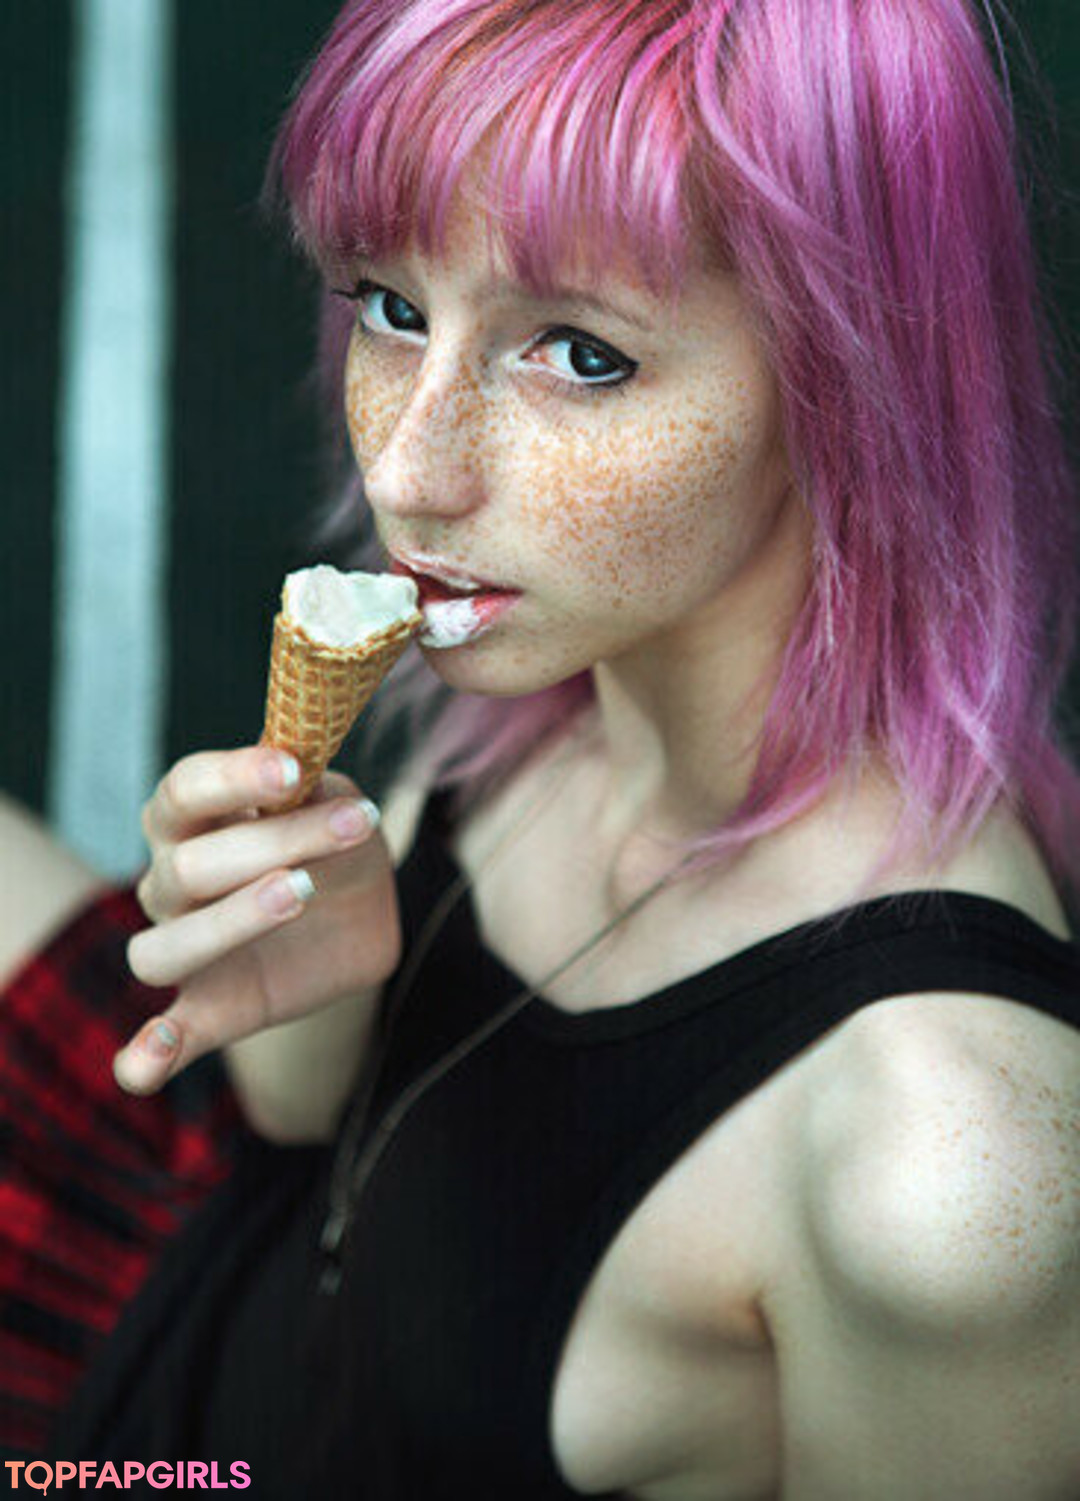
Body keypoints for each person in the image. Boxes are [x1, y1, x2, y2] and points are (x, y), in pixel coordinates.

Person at [2, 0, 1079, 1495]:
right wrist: (307, 986)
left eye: (578, 352)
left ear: (856, 381)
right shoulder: (565, 667)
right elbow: (299, 1133)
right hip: (204, 1280)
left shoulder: (941, 1178)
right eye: (391, 306)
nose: (407, 469)